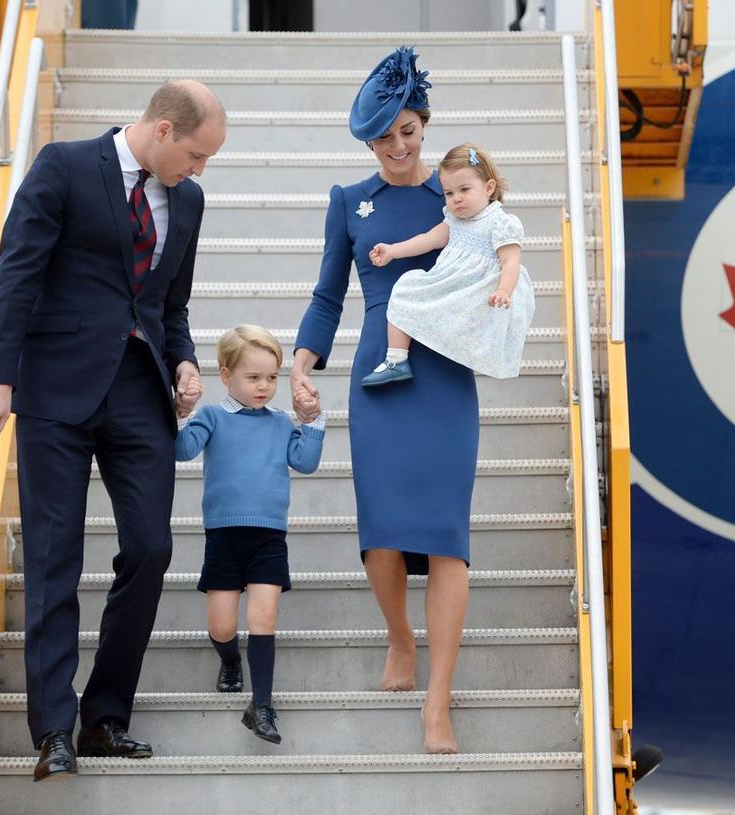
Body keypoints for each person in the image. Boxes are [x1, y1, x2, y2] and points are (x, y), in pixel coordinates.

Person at [0, 80, 227, 781]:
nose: (199, 171)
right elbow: (17, 272)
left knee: (150, 545)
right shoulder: (64, 166)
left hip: (139, 390)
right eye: (196, 154)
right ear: (163, 130)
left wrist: (185, 360)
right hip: (55, 388)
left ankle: (105, 715)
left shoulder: (187, 201)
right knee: (53, 554)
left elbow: (172, 301)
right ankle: (54, 729)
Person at [291, 46, 474, 754]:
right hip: (378, 372)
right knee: (382, 535)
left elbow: (497, 255)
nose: (400, 147)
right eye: (385, 136)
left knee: (448, 541)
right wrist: (301, 365)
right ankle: (401, 638)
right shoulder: (349, 202)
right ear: (367, 140)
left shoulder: (456, 194)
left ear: (424, 122)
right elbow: (328, 293)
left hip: (446, 372)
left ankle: (438, 700)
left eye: (409, 129)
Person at [174, 325, 325, 745]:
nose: (264, 387)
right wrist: (179, 411)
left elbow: (306, 462)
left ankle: (261, 705)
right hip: (223, 536)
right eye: (253, 377)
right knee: (222, 624)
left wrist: (311, 421)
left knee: (263, 616)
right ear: (226, 376)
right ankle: (229, 660)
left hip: (268, 538)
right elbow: (181, 450)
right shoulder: (212, 416)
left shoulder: (280, 423)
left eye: (272, 378)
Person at [363, 142, 534, 386]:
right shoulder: (453, 220)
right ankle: (396, 359)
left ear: (489, 187)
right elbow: (429, 240)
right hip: (451, 285)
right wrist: (393, 250)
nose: (456, 199)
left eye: (465, 189)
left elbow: (511, 261)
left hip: (480, 290)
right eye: (449, 193)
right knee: (405, 287)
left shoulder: (500, 222)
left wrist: (504, 290)